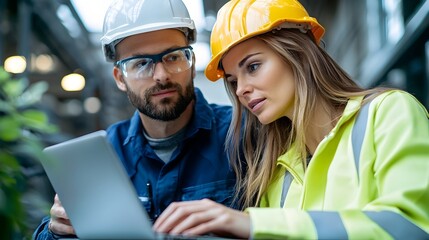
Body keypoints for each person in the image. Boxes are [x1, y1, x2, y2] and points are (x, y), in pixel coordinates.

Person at [152, 0, 429, 239]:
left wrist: (256, 224)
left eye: (253, 66)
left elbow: (413, 227)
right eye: (233, 80)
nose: (240, 90)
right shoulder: (276, 171)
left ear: (298, 52)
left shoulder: (389, 114)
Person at [32, 0, 238, 239]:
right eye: (141, 63)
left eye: (172, 57)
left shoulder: (242, 133)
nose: (161, 76)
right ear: (120, 78)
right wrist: (55, 230)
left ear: (191, 64)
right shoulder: (102, 155)